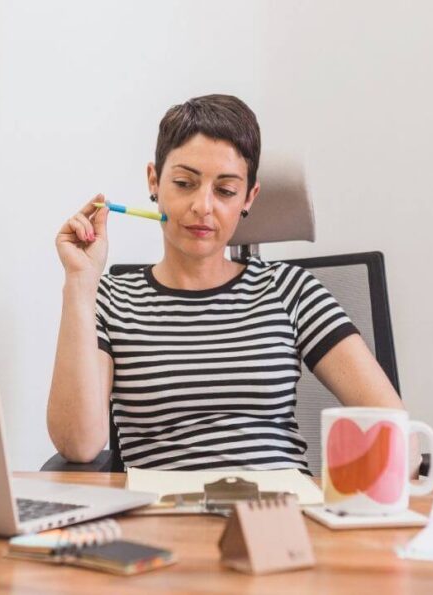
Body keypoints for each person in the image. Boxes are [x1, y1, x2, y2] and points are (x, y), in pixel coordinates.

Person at [48, 94, 408, 474]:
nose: (203, 205)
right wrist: (80, 283)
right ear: (154, 182)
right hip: (165, 522)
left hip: (280, 516)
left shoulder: (293, 291)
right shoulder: (112, 300)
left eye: (225, 191)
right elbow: (79, 444)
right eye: (185, 183)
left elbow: (396, 429)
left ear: (249, 197)